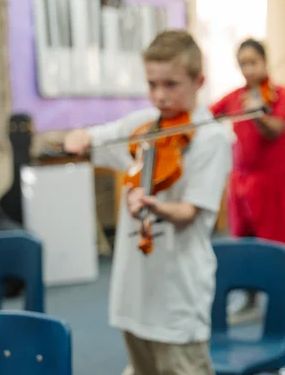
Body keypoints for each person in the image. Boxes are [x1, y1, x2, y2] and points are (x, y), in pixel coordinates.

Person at [64, 30, 232, 375]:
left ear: (198, 81)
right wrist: (78, 137)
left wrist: (153, 206)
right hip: (134, 287)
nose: (159, 96)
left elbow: (189, 212)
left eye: (171, 84)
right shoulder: (142, 126)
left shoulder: (211, 138)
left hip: (178, 293)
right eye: (152, 84)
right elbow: (95, 138)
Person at [210, 38, 285, 323]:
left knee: (274, 246)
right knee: (244, 243)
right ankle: (249, 300)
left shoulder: (280, 95)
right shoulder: (235, 97)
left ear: (265, 61)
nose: (249, 70)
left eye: (253, 62)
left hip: (272, 181)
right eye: (243, 64)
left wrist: (259, 112)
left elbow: (275, 130)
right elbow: (207, 115)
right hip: (242, 182)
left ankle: (277, 304)